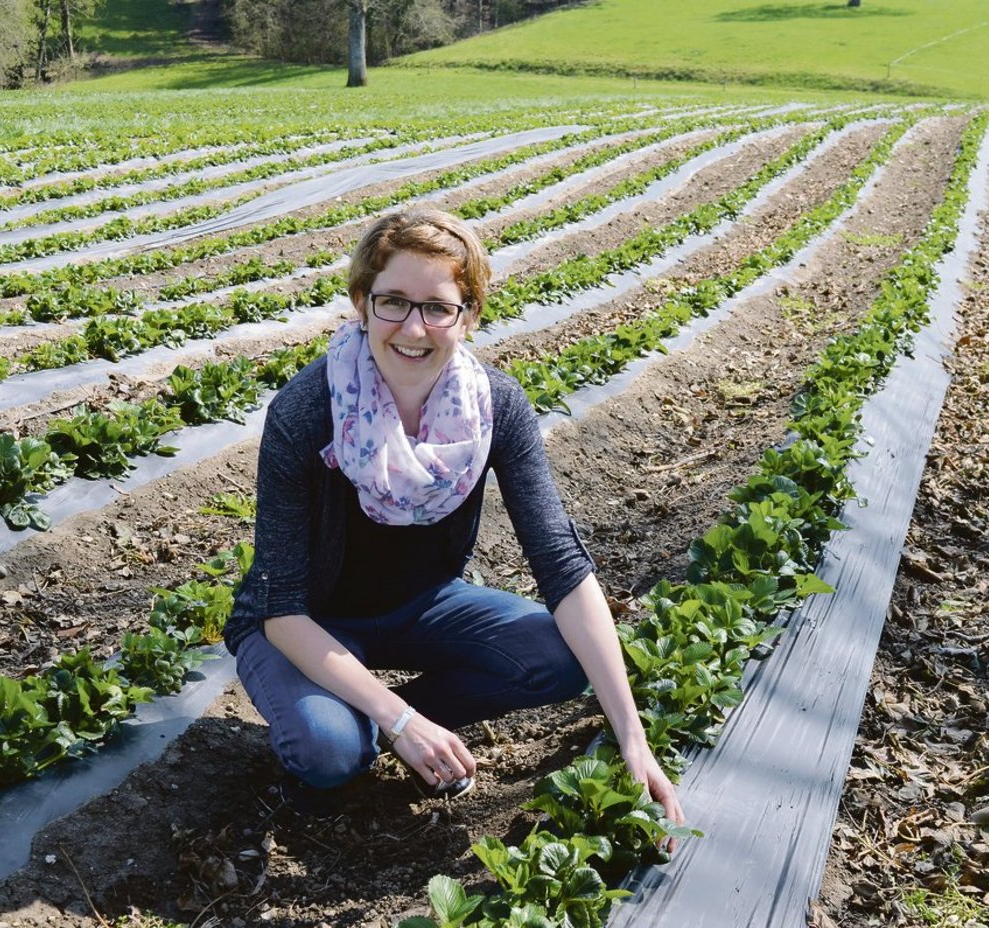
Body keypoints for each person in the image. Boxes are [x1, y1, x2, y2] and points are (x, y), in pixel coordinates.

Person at [225, 207, 683, 828]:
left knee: (560, 657)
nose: (414, 328)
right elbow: (281, 607)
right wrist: (403, 720)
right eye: (393, 302)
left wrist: (632, 735)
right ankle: (370, 725)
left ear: (468, 316)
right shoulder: (306, 413)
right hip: (307, 620)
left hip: (421, 604)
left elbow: (561, 564)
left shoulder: (495, 409)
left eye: (438, 307)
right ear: (362, 302)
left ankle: (382, 722)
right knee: (329, 752)